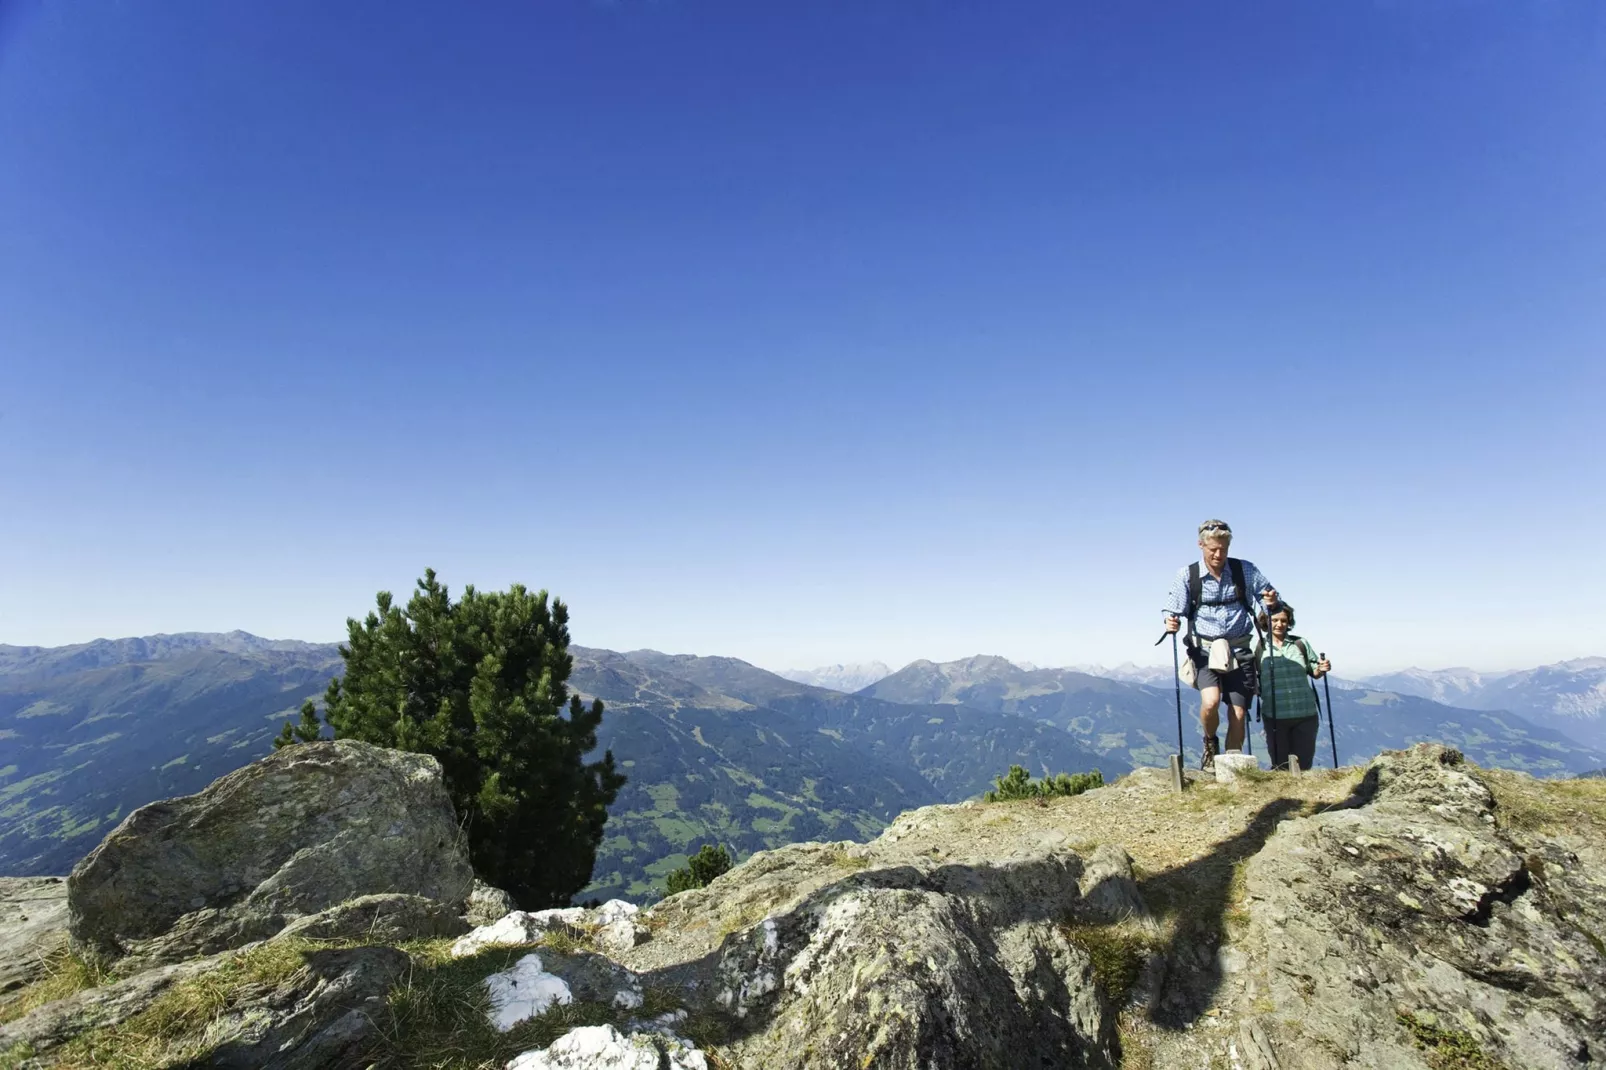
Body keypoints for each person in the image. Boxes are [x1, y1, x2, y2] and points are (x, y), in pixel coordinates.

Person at [1163, 519, 1279, 769]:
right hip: (1204, 652)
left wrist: (1271, 602)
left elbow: (1269, 599)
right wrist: (1170, 622)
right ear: (1200, 545)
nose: (1218, 554)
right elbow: (1173, 610)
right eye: (1213, 549)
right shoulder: (1188, 575)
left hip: (1240, 651)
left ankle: (1231, 763)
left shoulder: (1245, 570)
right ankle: (1210, 743)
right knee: (1211, 702)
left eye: (1223, 549)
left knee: (1238, 712)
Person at [1255, 602, 1332, 771]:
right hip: (1274, 717)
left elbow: (1314, 671)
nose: (1279, 624)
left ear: (1289, 622)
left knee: (1303, 767)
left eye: (1283, 620)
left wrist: (1321, 667)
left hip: (1305, 714)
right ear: (1265, 621)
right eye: (1274, 620)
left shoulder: (1300, 644)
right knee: (1280, 767)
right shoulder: (1260, 647)